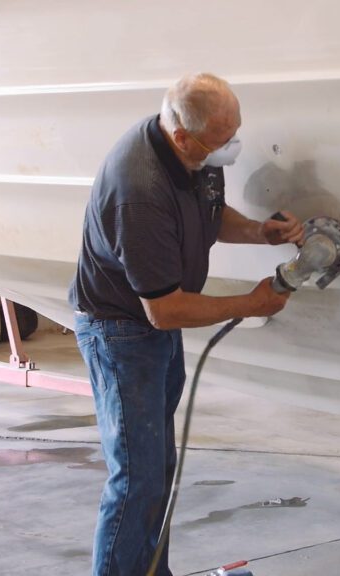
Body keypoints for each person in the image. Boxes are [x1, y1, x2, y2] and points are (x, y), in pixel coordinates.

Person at [68, 72, 304, 576]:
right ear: (181, 136)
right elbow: (165, 309)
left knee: (158, 470)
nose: (230, 152)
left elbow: (210, 215)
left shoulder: (190, 152)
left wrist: (262, 233)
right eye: (221, 144)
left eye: (233, 136)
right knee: (137, 479)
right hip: (121, 332)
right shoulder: (141, 190)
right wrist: (250, 303)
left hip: (150, 329)